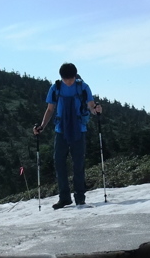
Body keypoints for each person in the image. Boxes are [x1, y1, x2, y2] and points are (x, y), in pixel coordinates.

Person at [33, 63, 102, 209]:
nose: (68, 82)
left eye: (70, 79)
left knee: (78, 164)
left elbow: (90, 106)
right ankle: (64, 198)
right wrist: (42, 127)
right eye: (66, 79)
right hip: (61, 129)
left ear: (75, 76)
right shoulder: (55, 88)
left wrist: (96, 110)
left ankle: (80, 198)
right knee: (59, 163)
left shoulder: (83, 87)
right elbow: (50, 109)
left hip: (79, 129)